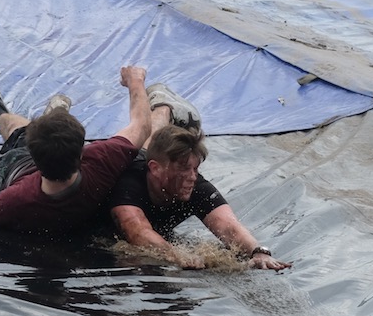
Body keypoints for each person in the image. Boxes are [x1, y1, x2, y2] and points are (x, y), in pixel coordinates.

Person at [0, 65, 193, 236]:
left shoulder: (18, 198)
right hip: (21, 167)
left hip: (7, 173)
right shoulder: (101, 160)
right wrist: (136, 81)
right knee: (13, 134)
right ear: (83, 153)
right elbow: (140, 126)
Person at [106, 108, 292, 271]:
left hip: (155, 162)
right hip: (127, 157)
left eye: (195, 168)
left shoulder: (195, 185)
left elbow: (229, 227)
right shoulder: (129, 182)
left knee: (157, 143)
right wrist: (177, 255)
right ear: (155, 169)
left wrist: (258, 252)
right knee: (141, 134)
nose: (192, 177)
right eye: (183, 168)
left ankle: (166, 109)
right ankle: (160, 107)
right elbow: (137, 231)